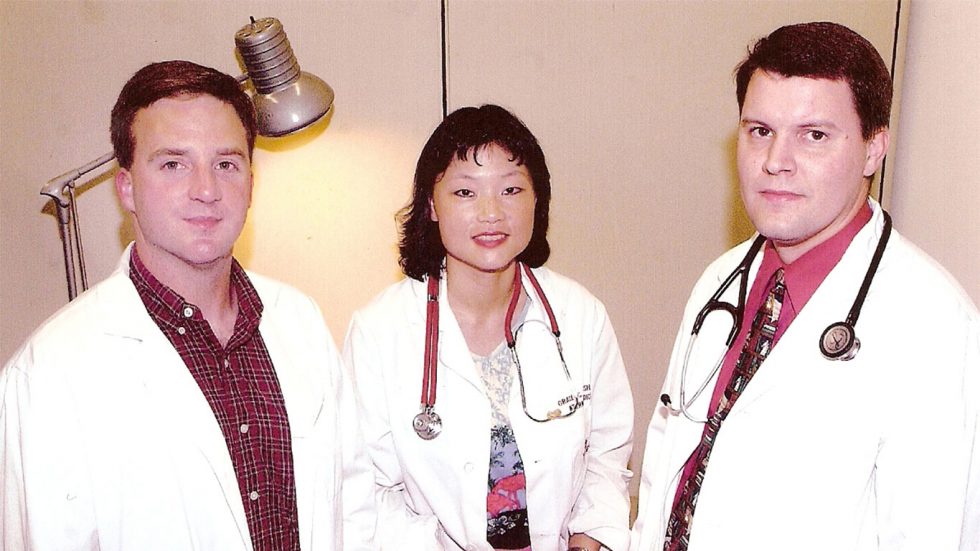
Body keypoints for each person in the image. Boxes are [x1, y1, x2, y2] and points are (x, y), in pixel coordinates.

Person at [630, 21, 980, 551]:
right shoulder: (721, 280)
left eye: (814, 135)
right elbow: (667, 467)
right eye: (760, 131)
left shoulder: (933, 326)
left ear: (873, 149)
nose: (776, 162)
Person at [0, 60, 376, 550]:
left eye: (226, 164)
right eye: (173, 164)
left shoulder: (298, 320)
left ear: (251, 184)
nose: (206, 190)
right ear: (127, 188)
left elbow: (353, 510)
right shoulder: (50, 372)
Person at [343, 104, 633, 551]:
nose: (491, 212)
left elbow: (606, 458)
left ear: (537, 199)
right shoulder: (379, 332)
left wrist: (587, 541)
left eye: (511, 189)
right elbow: (368, 492)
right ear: (431, 205)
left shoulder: (580, 316)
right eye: (465, 192)